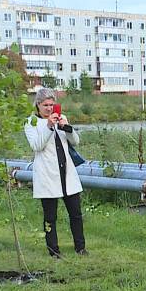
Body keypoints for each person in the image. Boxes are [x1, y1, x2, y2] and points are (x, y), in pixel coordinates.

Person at [24, 88, 88, 258]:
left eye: (52, 105)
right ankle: (53, 251)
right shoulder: (31, 123)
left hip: (67, 174)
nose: (49, 108)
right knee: (50, 217)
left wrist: (66, 127)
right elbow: (36, 146)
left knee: (76, 213)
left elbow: (76, 141)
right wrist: (49, 127)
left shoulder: (59, 118)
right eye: (45, 105)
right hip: (47, 175)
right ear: (38, 105)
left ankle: (80, 248)